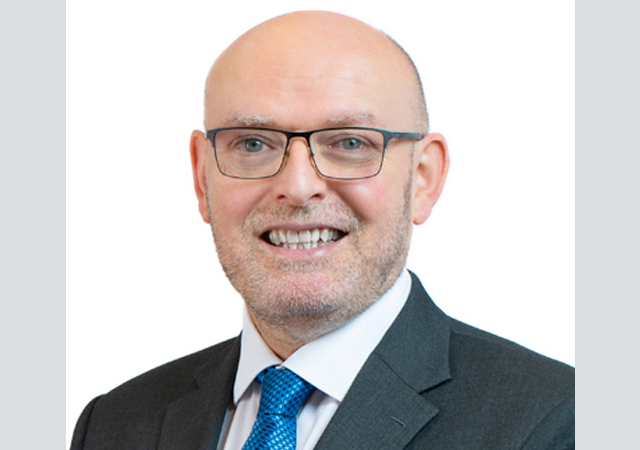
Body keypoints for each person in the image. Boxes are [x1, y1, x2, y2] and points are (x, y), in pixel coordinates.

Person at [70, 10, 574, 450]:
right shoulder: (114, 425)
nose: (298, 186)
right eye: (252, 144)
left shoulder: (558, 422)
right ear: (202, 177)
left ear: (423, 178)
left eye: (350, 143)